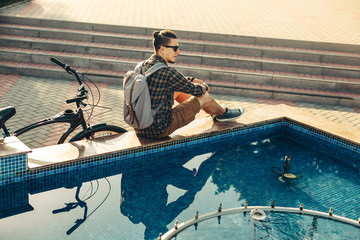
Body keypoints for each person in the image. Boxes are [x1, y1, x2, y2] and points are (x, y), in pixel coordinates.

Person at [135, 30, 244, 138]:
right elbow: (197, 90)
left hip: (140, 126)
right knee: (204, 97)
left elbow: (177, 82)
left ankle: (211, 110)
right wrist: (204, 86)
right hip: (159, 129)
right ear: (162, 49)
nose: (178, 52)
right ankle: (222, 113)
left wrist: (191, 79)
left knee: (179, 89)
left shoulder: (142, 66)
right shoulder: (166, 72)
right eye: (175, 48)